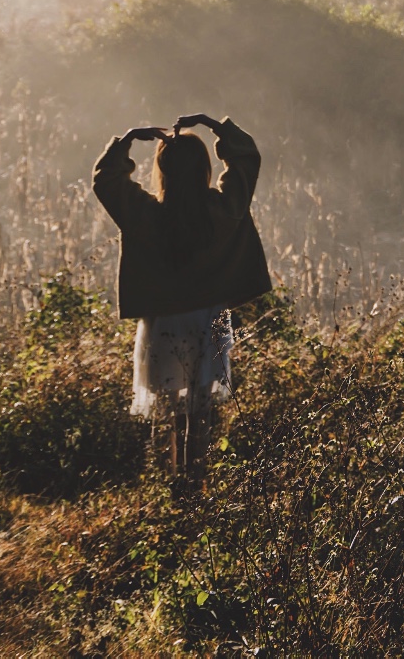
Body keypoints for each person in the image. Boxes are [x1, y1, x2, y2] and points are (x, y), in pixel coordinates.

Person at [93, 111, 273, 476]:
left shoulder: (146, 215)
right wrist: (215, 125)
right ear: (203, 168)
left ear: (163, 170)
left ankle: (177, 478)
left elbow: (106, 179)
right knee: (200, 408)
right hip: (210, 319)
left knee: (174, 409)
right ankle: (197, 481)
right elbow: (246, 160)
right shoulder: (221, 210)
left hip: (165, 321)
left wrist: (127, 138)